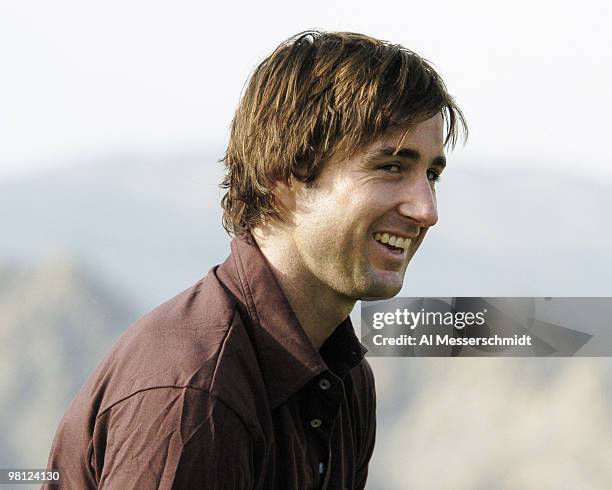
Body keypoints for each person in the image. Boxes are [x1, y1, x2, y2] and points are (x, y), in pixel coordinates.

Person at [44, 30, 466, 489]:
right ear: (285, 177)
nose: (426, 210)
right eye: (390, 167)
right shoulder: (198, 395)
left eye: (431, 174)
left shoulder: (342, 375)